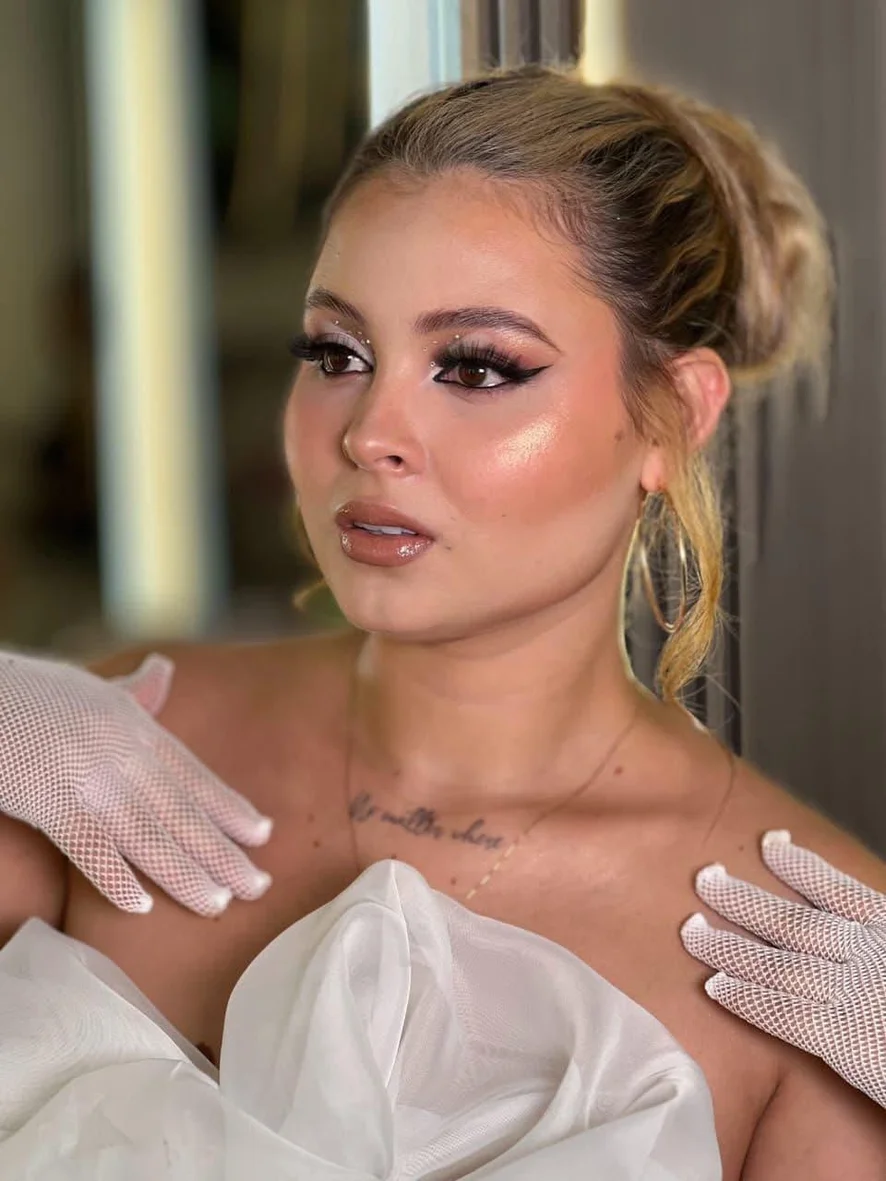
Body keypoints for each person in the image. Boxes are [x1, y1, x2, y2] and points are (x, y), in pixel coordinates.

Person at [0, 65, 883, 1176]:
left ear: (672, 413)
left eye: (475, 366)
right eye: (337, 353)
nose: (370, 432)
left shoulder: (809, 958)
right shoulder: (110, 753)